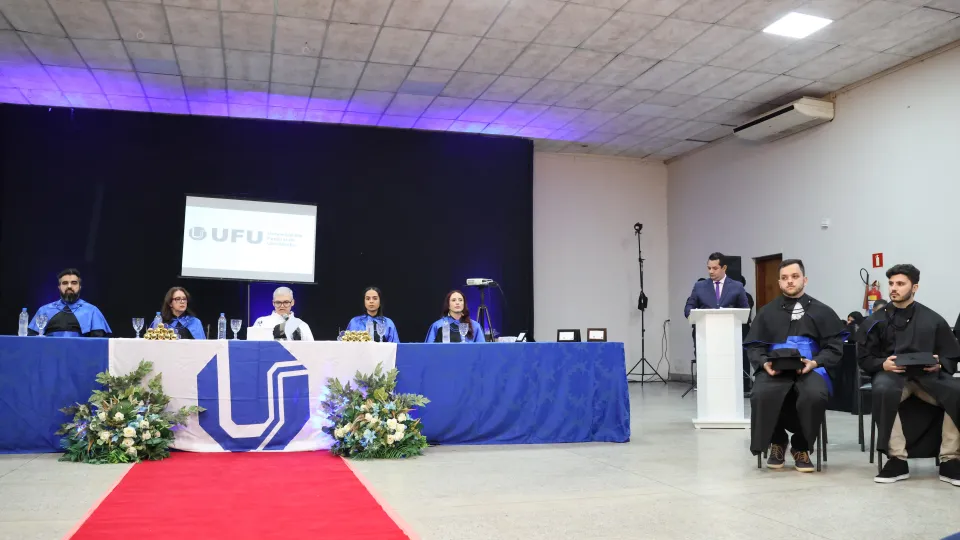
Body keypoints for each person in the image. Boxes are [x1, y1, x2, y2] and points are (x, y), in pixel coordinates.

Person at [857, 264, 960, 486]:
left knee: (957, 391)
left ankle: (950, 459)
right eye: (891, 284)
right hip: (892, 377)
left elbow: (951, 354)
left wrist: (939, 363)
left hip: (928, 378)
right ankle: (897, 459)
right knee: (883, 391)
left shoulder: (933, 320)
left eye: (900, 284)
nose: (894, 288)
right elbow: (864, 358)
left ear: (915, 287)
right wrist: (882, 364)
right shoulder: (876, 321)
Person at [745, 259, 844, 472]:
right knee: (761, 394)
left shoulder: (822, 311)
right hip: (775, 367)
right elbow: (754, 347)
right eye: (784, 278)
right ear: (779, 282)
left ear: (805, 280)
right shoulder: (767, 312)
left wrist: (815, 362)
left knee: (814, 395)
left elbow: (835, 347)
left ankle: (801, 446)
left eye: (794, 276)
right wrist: (764, 363)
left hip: (810, 367)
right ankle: (777, 441)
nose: (790, 281)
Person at [28, 268, 111, 337]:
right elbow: (31, 341)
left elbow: (99, 344)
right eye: (65, 283)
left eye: (74, 283)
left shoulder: (92, 311)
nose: (69, 286)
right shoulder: (44, 310)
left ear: (80, 287)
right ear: (59, 287)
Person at [684, 252, 750, 317]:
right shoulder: (699, 286)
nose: (711, 271)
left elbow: (745, 311)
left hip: (728, 326)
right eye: (709, 268)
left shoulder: (737, 287)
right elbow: (688, 308)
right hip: (705, 326)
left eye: (715, 268)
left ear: (724, 268)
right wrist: (696, 315)